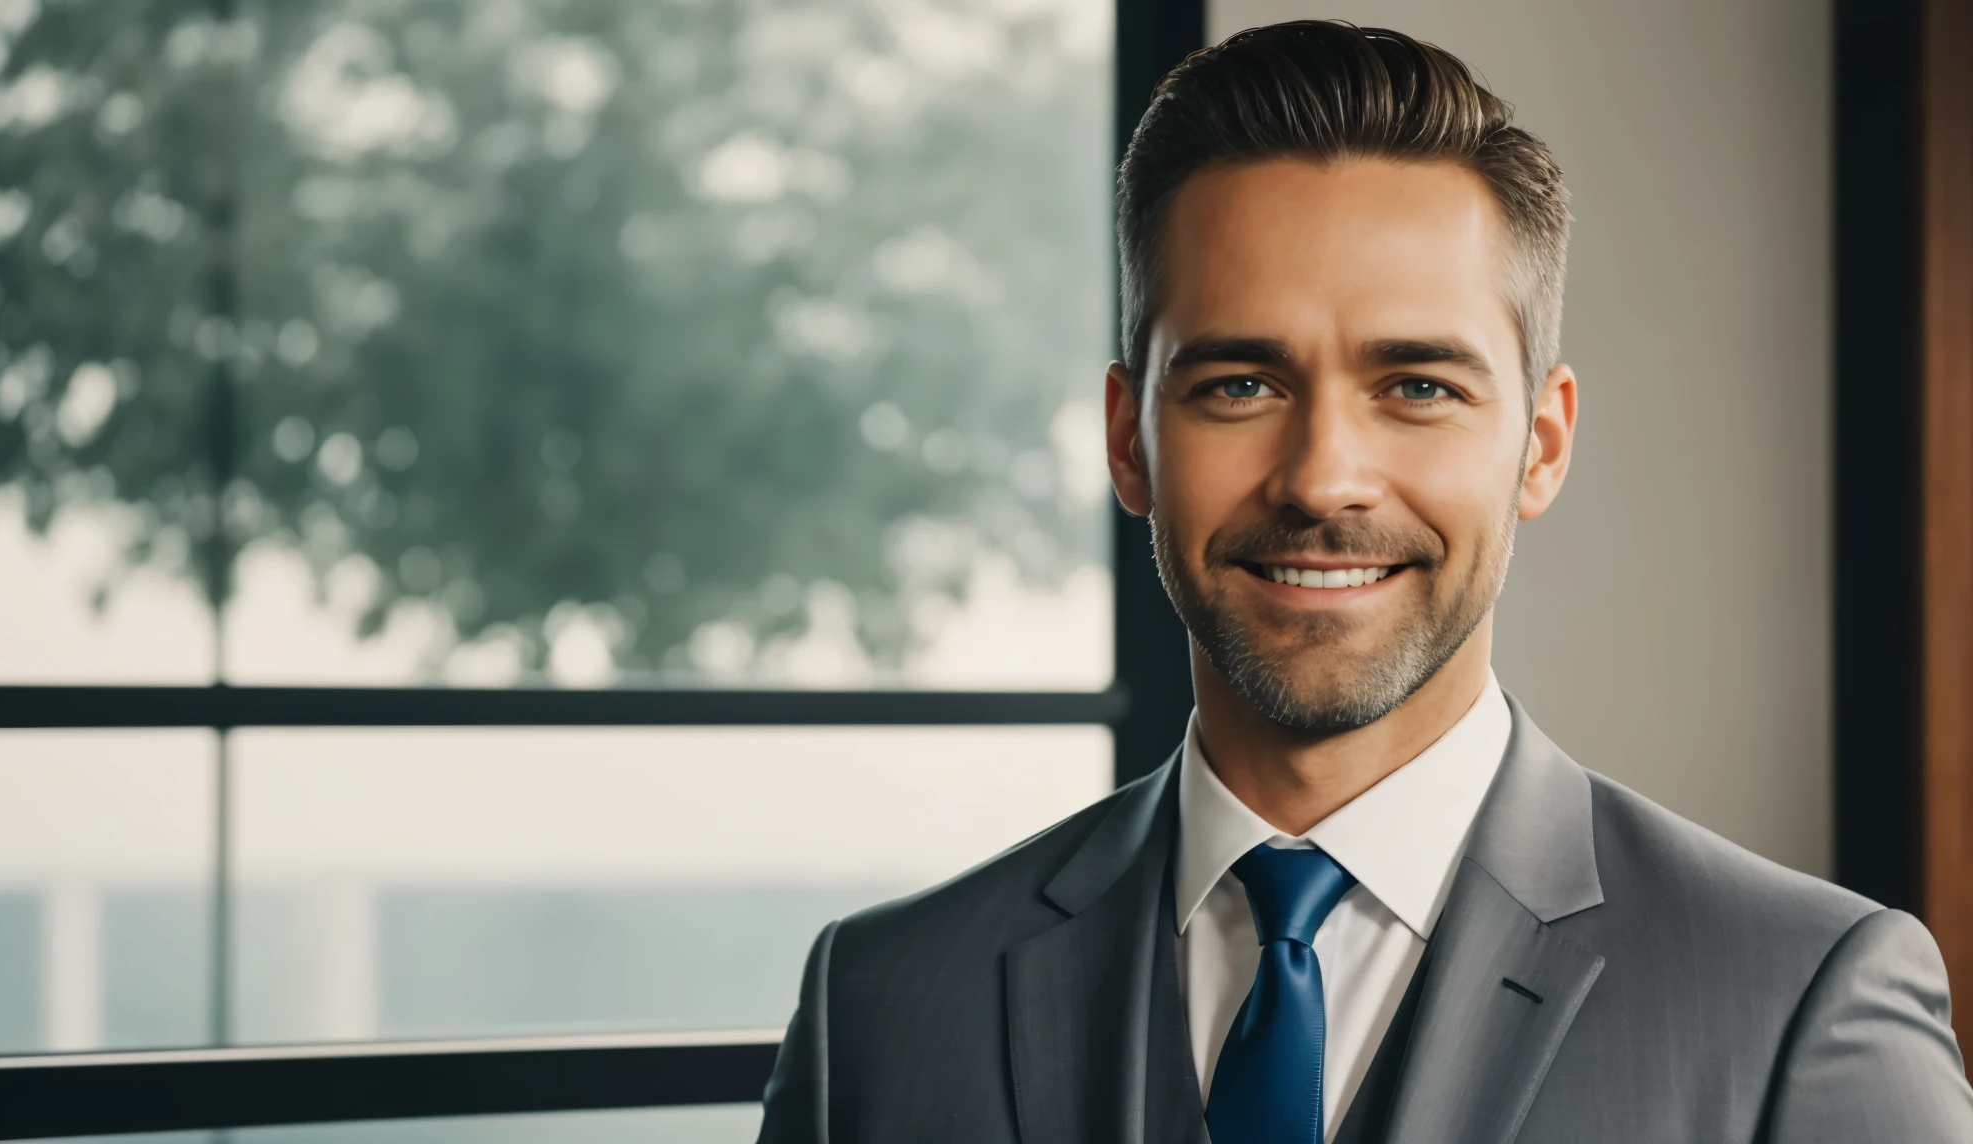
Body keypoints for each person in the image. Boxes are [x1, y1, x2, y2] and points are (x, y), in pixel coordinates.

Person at [755, 20, 1973, 1143]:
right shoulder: (878, 1007)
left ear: (1540, 445)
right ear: (1130, 439)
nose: (1324, 478)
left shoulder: (1799, 1001)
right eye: (1240, 383)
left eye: (1418, 386)